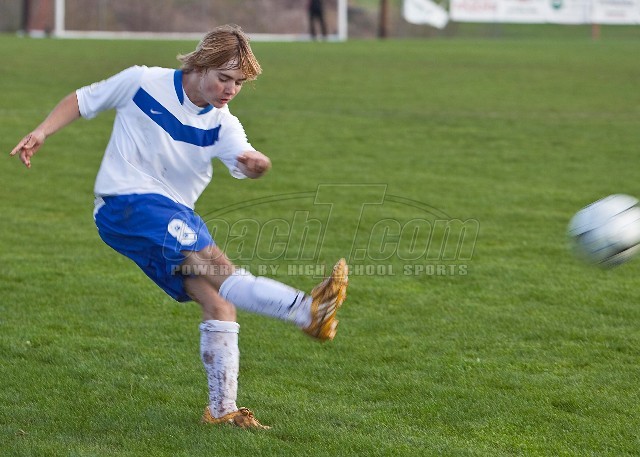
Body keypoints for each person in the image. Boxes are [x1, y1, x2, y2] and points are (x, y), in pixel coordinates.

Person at [9, 24, 348, 430]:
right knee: (218, 267)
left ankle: (221, 410)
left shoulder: (223, 125)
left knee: (218, 303)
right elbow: (83, 100)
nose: (230, 90)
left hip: (168, 215)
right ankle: (305, 311)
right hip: (125, 204)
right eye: (224, 78)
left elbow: (246, 157)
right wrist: (41, 131)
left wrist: (257, 165)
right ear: (201, 64)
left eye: (239, 83)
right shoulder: (142, 81)